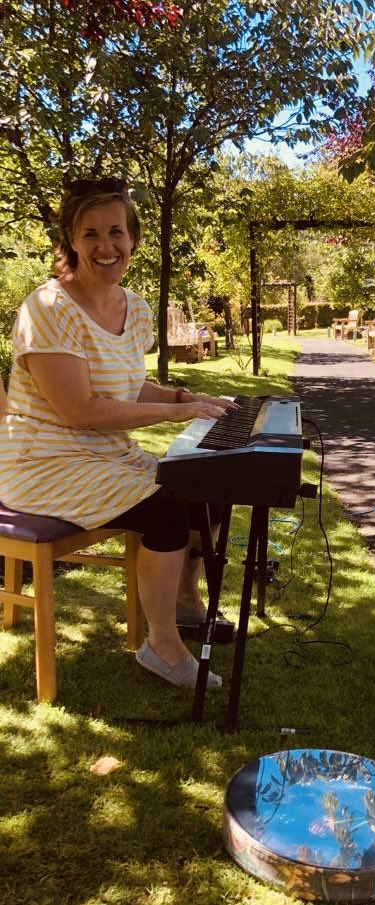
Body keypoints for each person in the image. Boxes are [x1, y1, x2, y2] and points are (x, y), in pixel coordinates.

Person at [0, 178, 236, 689]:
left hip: (104, 456)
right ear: (70, 239)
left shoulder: (136, 306)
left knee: (209, 489)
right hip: (43, 464)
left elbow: (126, 385)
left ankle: (185, 603)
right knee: (167, 509)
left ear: (132, 238)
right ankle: (162, 647)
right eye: (91, 235)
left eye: (116, 232)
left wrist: (182, 399)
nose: (105, 246)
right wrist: (177, 416)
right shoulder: (47, 308)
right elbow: (78, 409)